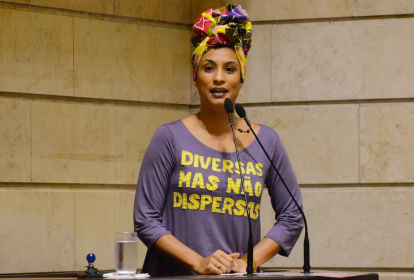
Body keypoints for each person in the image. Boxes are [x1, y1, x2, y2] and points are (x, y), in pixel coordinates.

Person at [134, 4, 304, 276]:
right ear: (196, 77)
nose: (218, 78)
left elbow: (292, 217)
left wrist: (248, 261)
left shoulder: (266, 141)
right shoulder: (169, 137)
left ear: (241, 79)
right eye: (208, 67)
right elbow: (146, 220)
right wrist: (198, 263)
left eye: (229, 69)